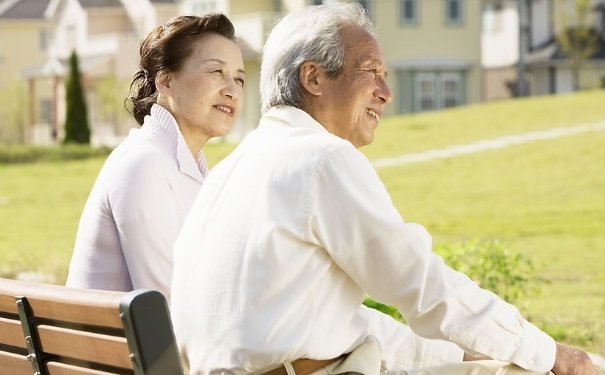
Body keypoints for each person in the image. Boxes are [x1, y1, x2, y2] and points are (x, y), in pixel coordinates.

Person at [171, 3, 596, 375]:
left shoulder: (232, 172)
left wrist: (460, 353)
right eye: (371, 72)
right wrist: (549, 353)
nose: (387, 93)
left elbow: (340, 323)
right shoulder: (321, 159)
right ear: (313, 78)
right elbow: (423, 286)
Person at [66, 13, 245, 303]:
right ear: (165, 81)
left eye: (239, 79)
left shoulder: (187, 169)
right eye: (215, 72)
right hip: (122, 347)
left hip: (131, 345)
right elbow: (168, 303)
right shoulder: (144, 164)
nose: (233, 90)